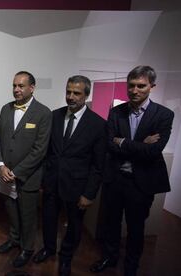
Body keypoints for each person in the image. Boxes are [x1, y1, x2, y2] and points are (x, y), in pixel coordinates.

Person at [90, 66, 174, 276]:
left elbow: (154, 151)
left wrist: (124, 142)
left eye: (141, 86)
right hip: (116, 178)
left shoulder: (164, 114)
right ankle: (110, 257)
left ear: (152, 87)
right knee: (111, 223)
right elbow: (109, 145)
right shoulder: (116, 112)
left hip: (141, 182)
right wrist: (139, 144)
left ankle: (131, 266)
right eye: (131, 85)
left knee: (136, 228)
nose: (135, 90)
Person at [32, 75, 107, 276]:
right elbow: (46, 152)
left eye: (76, 93)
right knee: (48, 218)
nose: (71, 97)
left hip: (77, 188)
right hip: (51, 183)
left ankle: (66, 257)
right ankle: (48, 248)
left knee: (74, 225)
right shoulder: (54, 116)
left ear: (86, 95)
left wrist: (89, 194)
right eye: (68, 92)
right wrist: (42, 180)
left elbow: (98, 165)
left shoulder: (98, 125)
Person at [0, 71, 52, 268]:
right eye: (14, 86)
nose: (16, 90)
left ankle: (27, 248)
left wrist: (17, 172)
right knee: (11, 210)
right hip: (5, 174)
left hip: (28, 177)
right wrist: (1, 165)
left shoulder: (43, 113)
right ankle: (14, 239)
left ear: (32, 87)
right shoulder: (5, 109)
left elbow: (40, 149)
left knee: (28, 215)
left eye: (21, 86)